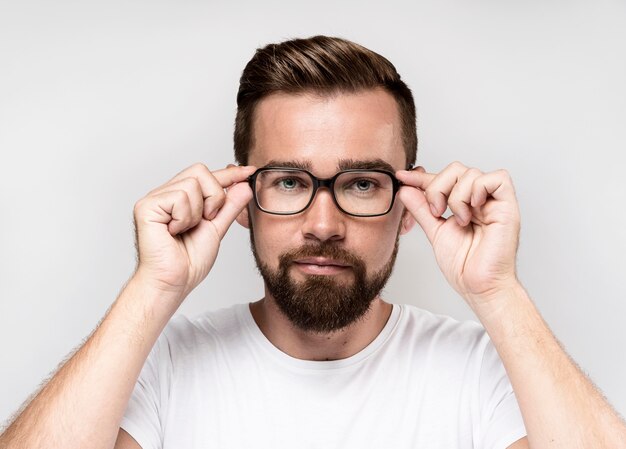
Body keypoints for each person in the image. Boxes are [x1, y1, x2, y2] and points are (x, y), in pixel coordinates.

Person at [1, 35, 625, 449]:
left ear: (409, 202)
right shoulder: (160, 366)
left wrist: (498, 291)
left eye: (359, 183)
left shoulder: (480, 370)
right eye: (290, 180)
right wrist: (153, 286)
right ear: (240, 199)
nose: (323, 224)